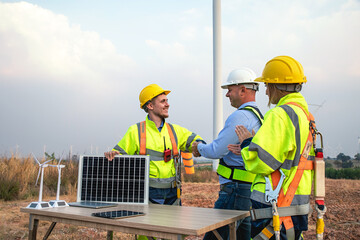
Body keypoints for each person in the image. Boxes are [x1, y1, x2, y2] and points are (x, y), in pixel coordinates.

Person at [230, 56, 315, 240]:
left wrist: (247, 143)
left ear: (277, 86)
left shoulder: (279, 114)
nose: (266, 92)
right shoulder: (305, 116)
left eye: (268, 85)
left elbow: (261, 162)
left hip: (274, 205)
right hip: (296, 205)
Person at [192, 67, 263, 240]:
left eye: (230, 90)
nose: (227, 95)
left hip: (234, 190)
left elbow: (217, 150)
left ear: (243, 90)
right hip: (247, 189)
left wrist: (199, 147)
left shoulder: (240, 117)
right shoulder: (259, 116)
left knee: (216, 236)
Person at [105, 83, 204, 206]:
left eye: (167, 101)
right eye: (163, 101)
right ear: (150, 105)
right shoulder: (136, 131)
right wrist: (114, 154)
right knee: (151, 225)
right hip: (148, 193)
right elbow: (119, 155)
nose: (168, 104)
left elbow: (197, 141)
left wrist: (200, 146)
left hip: (173, 194)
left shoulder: (175, 130)